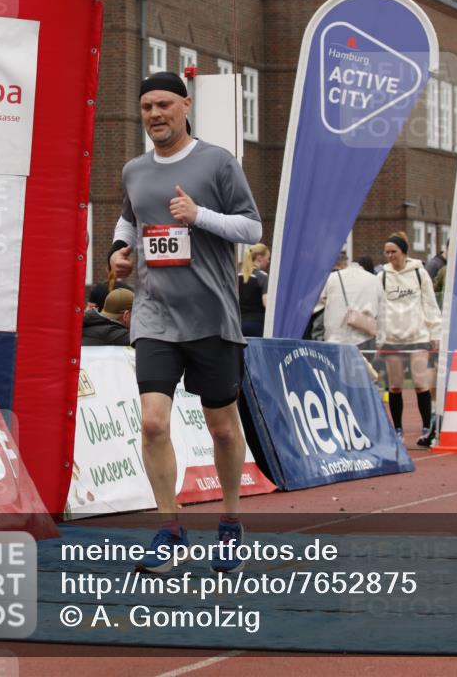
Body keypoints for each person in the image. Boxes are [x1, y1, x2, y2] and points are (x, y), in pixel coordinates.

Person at [109, 71, 261, 573]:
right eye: (147, 106)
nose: (155, 114)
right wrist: (119, 250)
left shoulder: (217, 162)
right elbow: (129, 217)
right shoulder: (135, 169)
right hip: (154, 313)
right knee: (152, 422)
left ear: (185, 105)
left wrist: (199, 216)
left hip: (212, 315)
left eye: (164, 105)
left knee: (221, 427)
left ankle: (231, 524)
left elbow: (251, 225)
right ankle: (170, 528)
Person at [377, 231, 441, 445]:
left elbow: (430, 304)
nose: (390, 256)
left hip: (418, 336)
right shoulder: (382, 276)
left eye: (393, 252)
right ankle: (397, 429)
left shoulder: (419, 273)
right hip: (392, 338)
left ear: (403, 252)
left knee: (421, 383)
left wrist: (435, 333)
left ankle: (426, 427)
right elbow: (376, 306)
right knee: (394, 386)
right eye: (386, 252)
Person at [317, 252, 383, 347]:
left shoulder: (332, 278)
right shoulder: (375, 280)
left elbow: (316, 304)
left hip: (335, 339)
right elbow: (382, 312)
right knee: (363, 362)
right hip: (365, 339)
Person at [239, 243, 269, 336]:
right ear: (259, 257)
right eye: (268, 258)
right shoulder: (262, 277)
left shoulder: (237, 276)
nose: (268, 262)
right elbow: (266, 303)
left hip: (238, 324)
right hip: (257, 325)